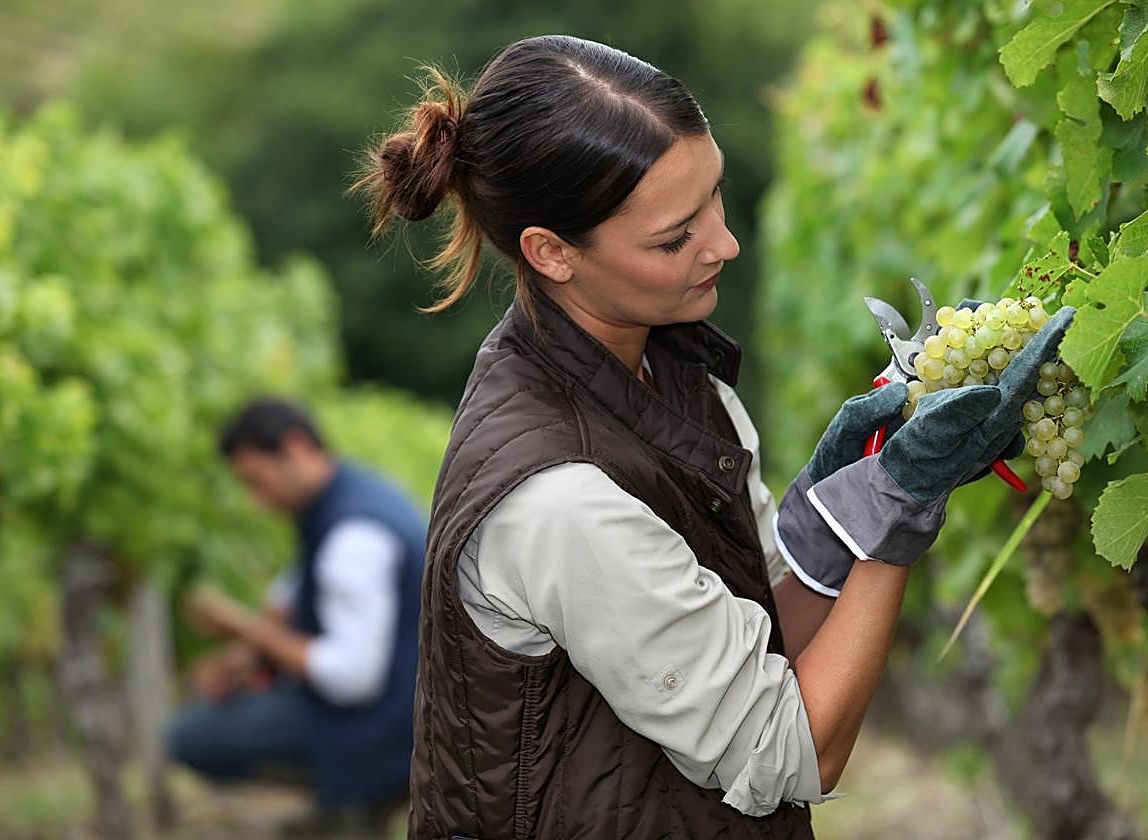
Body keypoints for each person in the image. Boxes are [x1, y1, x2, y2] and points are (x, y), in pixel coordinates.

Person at [354, 34, 1075, 840]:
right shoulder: (557, 500)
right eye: (674, 237)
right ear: (552, 253)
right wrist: (899, 510)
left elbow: (753, 634)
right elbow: (788, 751)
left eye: (715, 198)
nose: (723, 244)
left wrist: (837, 510)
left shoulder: (677, 376)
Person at [166, 397, 425, 833]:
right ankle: (347, 803)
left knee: (191, 738)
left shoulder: (352, 538)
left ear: (296, 447)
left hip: (386, 728)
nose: (257, 502)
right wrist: (241, 659)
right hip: (396, 713)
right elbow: (289, 597)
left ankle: (358, 799)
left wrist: (240, 626)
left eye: (258, 482)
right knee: (216, 715)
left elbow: (352, 678)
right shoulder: (347, 502)